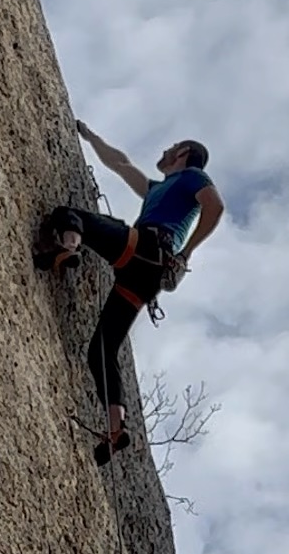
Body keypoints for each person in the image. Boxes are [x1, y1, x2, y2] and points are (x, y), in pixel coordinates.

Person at [35, 126, 225, 462]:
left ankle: (68, 247)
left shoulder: (193, 176)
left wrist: (187, 253)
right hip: (142, 276)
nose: (165, 150)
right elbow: (121, 165)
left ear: (182, 153)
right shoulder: (159, 189)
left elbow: (214, 206)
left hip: (148, 247)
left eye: (172, 147)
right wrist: (92, 138)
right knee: (101, 350)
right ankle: (115, 428)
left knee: (70, 216)